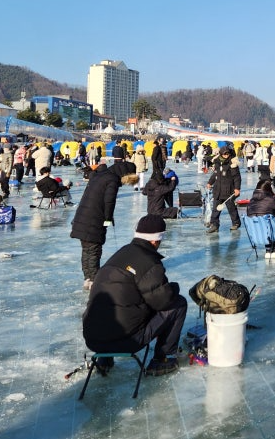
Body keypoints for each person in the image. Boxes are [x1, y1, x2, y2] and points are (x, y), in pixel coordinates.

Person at [83, 214, 188, 377]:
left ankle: (105, 360)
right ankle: (163, 359)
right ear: (155, 240)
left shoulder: (121, 254)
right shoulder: (148, 262)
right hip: (126, 341)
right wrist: (174, 288)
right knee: (178, 304)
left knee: (119, 304)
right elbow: (163, 302)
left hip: (93, 339)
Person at [70, 160, 139, 289]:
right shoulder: (112, 180)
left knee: (87, 251)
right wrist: (107, 219)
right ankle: (94, 280)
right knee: (94, 251)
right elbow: (109, 202)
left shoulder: (99, 175)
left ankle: (88, 279)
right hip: (94, 220)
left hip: (82, 218)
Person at [246, 178, 275, 260]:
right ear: (268, 189)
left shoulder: (251, 201)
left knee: (267, 225)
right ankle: (274, 249)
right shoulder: (271, 200)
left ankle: (268, 249)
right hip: (269, 232)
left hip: (256, 234)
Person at [206, 145, 242, 234]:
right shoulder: (217, 162)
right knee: (215, 209)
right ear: (221, 154)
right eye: (224, 154)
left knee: (231, 208)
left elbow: (237, 177)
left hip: (229, 190)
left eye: (227, 153)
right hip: (218, 189)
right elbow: (215, 174)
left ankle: (236, 223)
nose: (226, 155)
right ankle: (215, 225)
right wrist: (210, 182)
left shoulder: (232, 163)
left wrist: (237, 188)